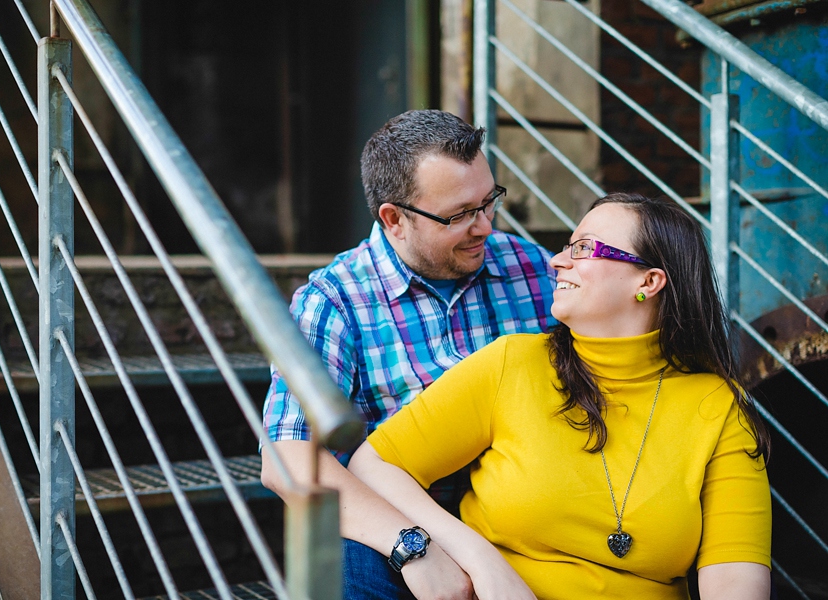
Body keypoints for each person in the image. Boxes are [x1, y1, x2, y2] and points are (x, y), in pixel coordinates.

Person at [349, 192, 772, 599]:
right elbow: (375, 463)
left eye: (583, 249)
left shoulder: (718, 407)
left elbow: (735, 579)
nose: (556, 261)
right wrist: (478, 558)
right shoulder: (512, 365)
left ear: (648, 281)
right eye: (566, 246)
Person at [260, 109, 557, 599]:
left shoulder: (530, 267)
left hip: (520, 503)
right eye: (460, 214)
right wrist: (412, 546)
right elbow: (287, 457)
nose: (484, 227)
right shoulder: (334, 299)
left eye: (489, 203)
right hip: (395, 517)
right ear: (394, 219)